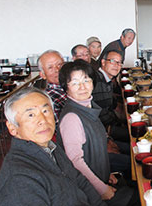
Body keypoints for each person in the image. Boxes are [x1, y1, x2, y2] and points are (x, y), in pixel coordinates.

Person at [0, 87, 106, 206]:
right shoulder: (19, 179)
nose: (43, 120)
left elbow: (80, 180)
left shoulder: (51, 148)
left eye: (45, 111)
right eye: (31, 115)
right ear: (13, 128)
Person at [56, 60, 137, 206]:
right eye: (74, 83)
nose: (82, 86)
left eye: (86, 80)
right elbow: (75, 162)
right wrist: (101, 188)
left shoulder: (88, 107)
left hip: (101, 179)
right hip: (89, 194)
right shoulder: (72, 118)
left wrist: (106, 174)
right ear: (66, 88)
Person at [93, 49, 129, 142]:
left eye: (119, 63)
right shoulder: (99, 82)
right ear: (103, 62)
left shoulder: (105, 78)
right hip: (103, 129)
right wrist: (122, 122)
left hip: (106, 124)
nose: (117, 66)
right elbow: (103, 116)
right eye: (113, 61)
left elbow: (111, 105)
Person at [36, 50, 66, 121]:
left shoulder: (74, 87)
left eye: (59, 64)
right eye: (50, 67)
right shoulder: (51, 99)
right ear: (43, 75)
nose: (57, 70)